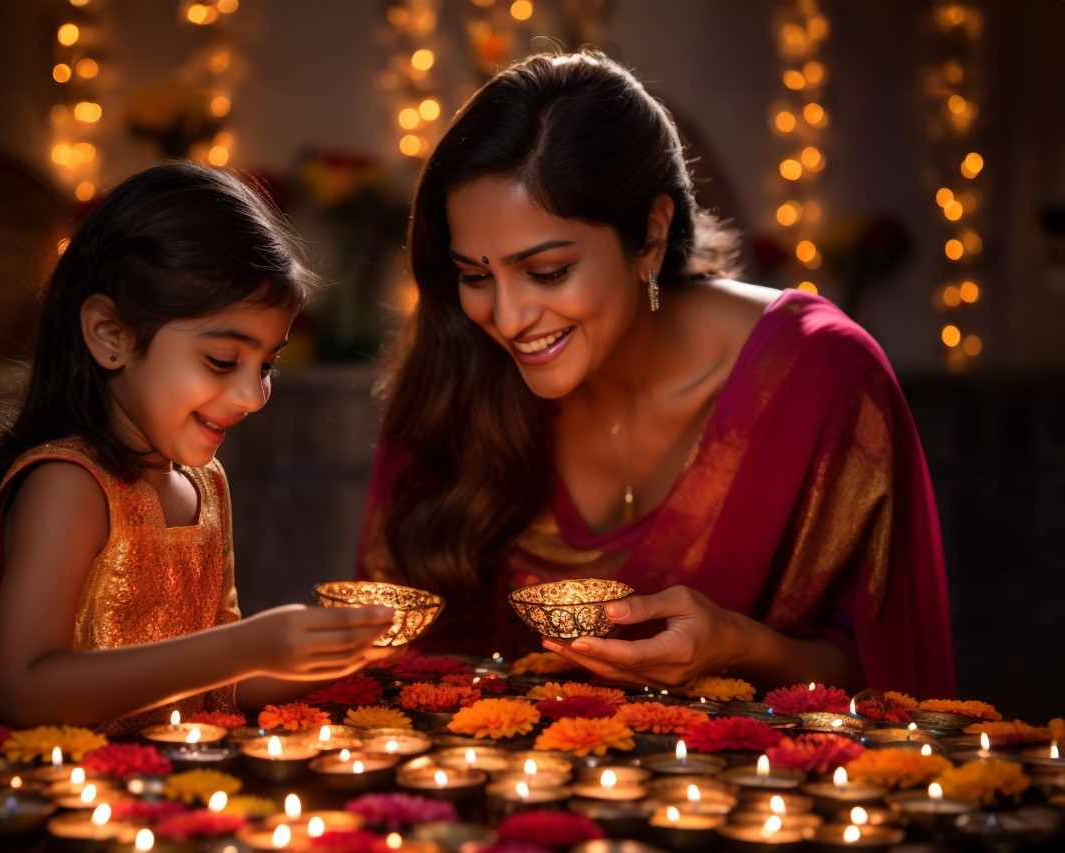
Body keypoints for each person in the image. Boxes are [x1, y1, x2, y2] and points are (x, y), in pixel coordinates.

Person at [356, 50, 954, 699]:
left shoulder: (820, 374)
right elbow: (387, 654)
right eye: (475, 276)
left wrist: (740, 647)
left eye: (547, 271)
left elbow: (896, 680)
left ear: (650, 233)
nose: (506, 317)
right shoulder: (456, 372)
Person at [0, 162, 391, 734]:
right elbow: (26, 693)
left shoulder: (206, 484)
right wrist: (243, 647)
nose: (253, 395)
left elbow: (217, 690)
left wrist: (335, 653)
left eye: (267, 365)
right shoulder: (69, 484)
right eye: (224, 361)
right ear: (112, 336)